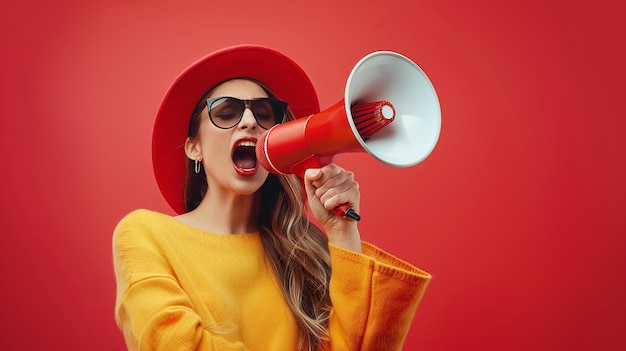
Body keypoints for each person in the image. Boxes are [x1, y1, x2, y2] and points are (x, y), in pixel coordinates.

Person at [113, 45, 431, 351]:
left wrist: (342, 233)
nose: (251, 122)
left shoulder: (302, 252)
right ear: (194, 147)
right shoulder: (145, 234)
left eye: (266, 113)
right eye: (226, 112)